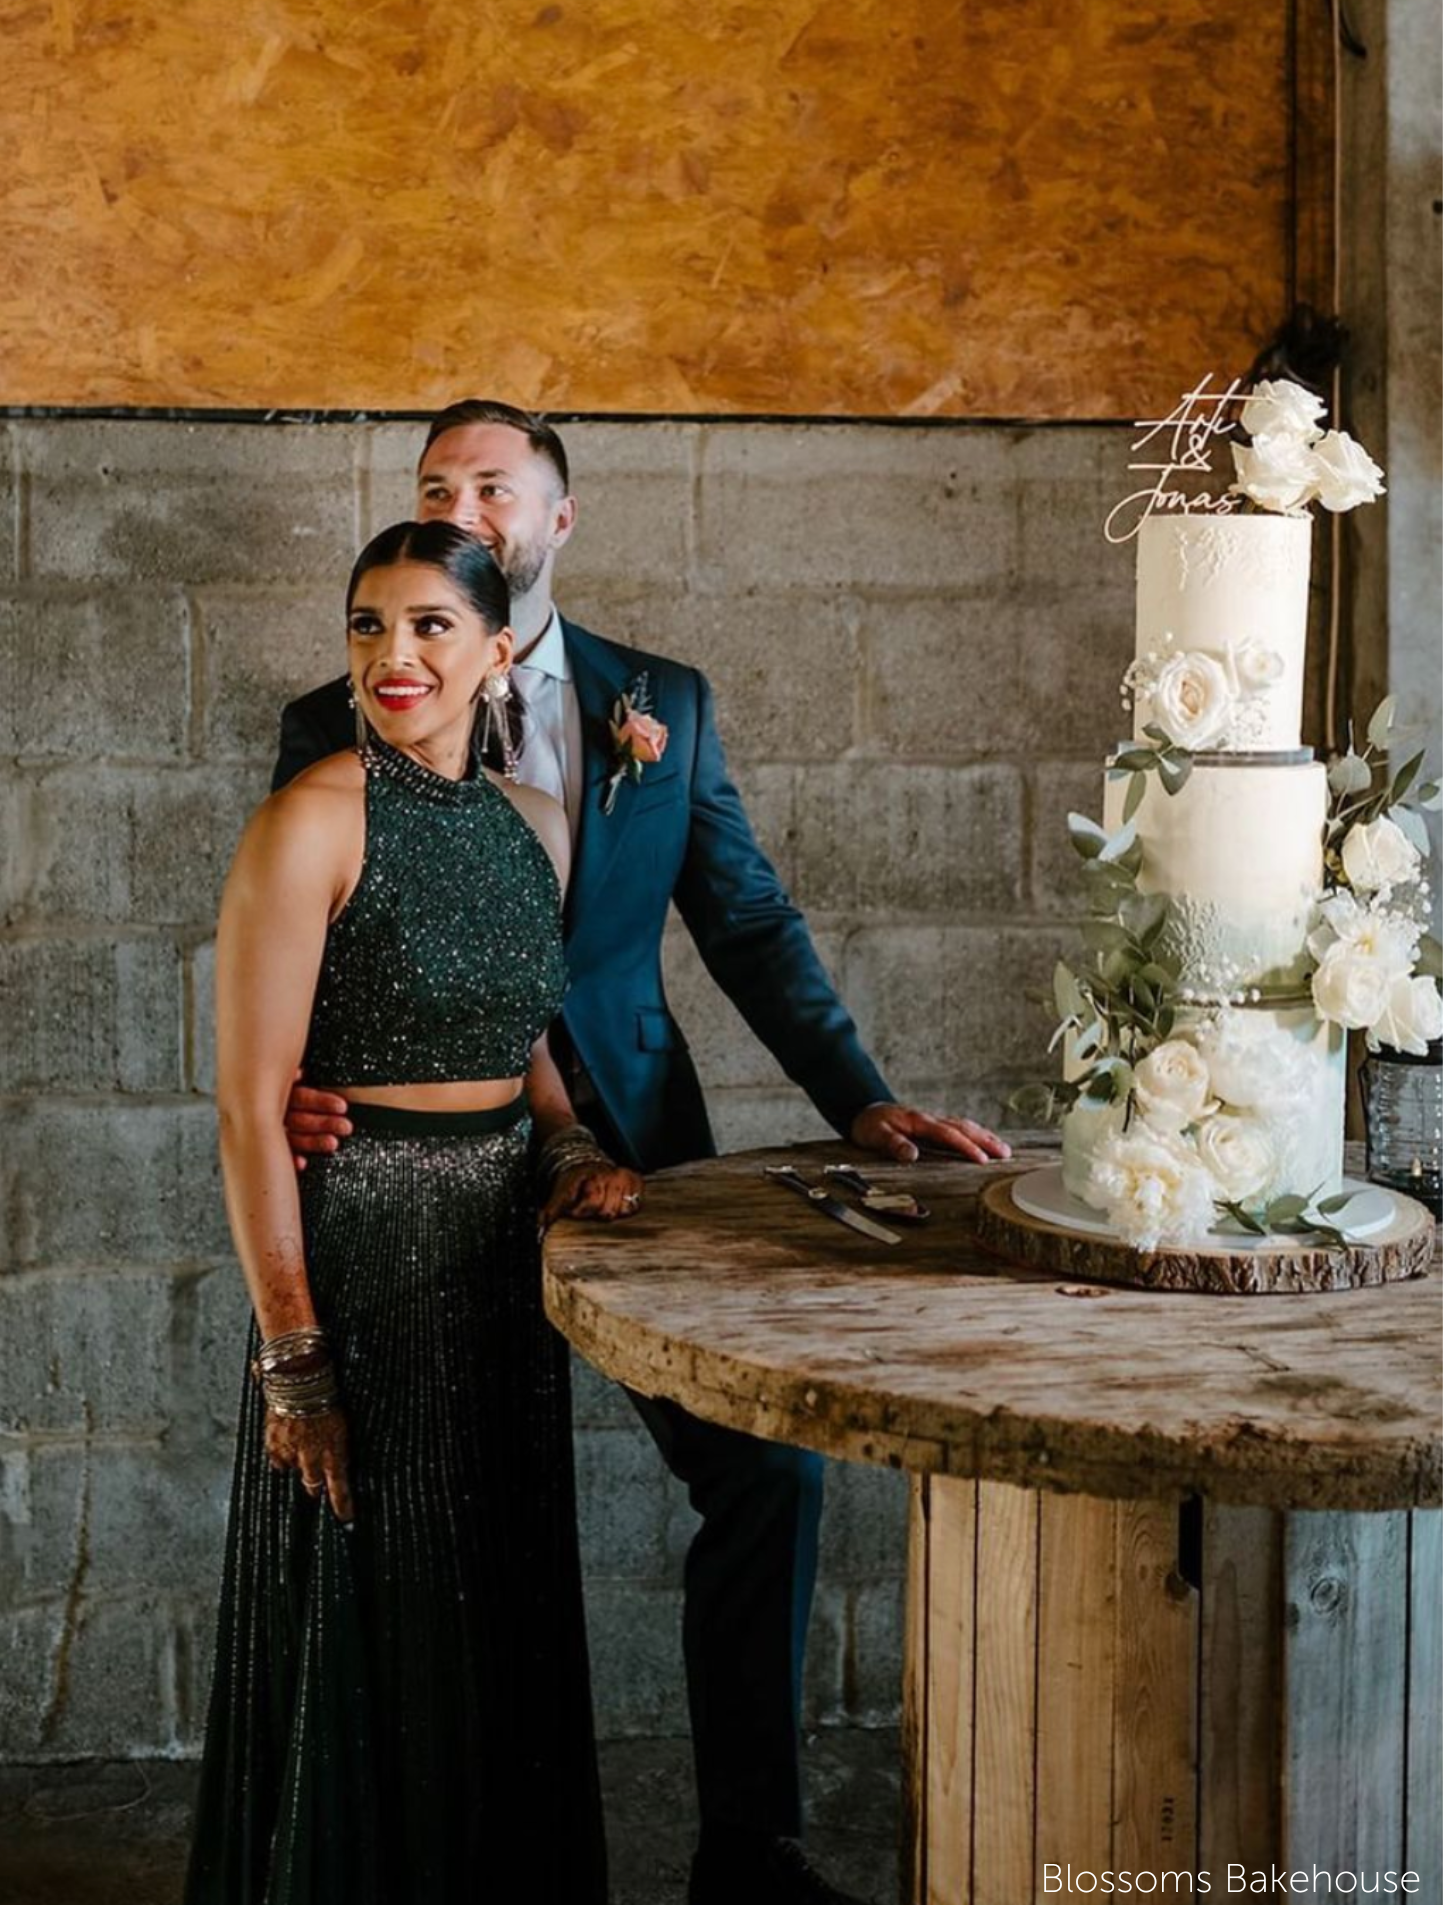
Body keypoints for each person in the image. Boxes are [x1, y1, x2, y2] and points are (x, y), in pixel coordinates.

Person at [277, 401, 1012, 1905]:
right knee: (433, 1504)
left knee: (763, 1476)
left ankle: (750, 1848)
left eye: (493, 485)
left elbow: (744, 920)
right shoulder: (332, 714)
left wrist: (858, 1097)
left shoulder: (653, 702)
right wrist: (295, 1082)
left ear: (557, 521)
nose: (463, 505)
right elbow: (287, 944)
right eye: (434, 486)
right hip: (404, 1175)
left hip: (627, 1156)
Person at [185, 520, 641, 1903]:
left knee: (491, 1602)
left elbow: (529, 1049)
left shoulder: (540, 825)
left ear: (498, 651)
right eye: (368, 627)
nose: (395, 656)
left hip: (503, 1274)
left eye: (432, 626)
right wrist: (294, 1362)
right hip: (363, 1266)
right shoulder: (312, 816)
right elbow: (248, 1108)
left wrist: (567, 1158)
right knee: (370, 1616)